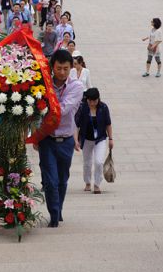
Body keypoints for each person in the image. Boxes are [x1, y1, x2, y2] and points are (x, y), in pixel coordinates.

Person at [36, 50, 83, 227]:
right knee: (50, 181)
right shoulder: (43, 84)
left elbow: (62, 110)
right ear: (52, 67)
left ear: (71, 67)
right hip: (47, 140)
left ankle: (58, 208)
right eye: (58, 68)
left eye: (65, 68)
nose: (61, 72)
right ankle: (54, 215)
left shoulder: (76, 87)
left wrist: (44, 106)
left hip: (66, 140)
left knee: (62, 180)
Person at [75, 87, 113, 194]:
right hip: (86, 139)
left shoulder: (103, 107)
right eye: (90, 101)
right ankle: (87, 182)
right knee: (87, 163)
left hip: (100, 138)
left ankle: (97, 184)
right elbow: (76, 125)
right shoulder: (82, 108)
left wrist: (110, 139)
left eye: (94, 101)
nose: (92, 103)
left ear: (98, 99)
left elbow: (108, 124)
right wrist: (75, 140)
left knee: (99, 162)